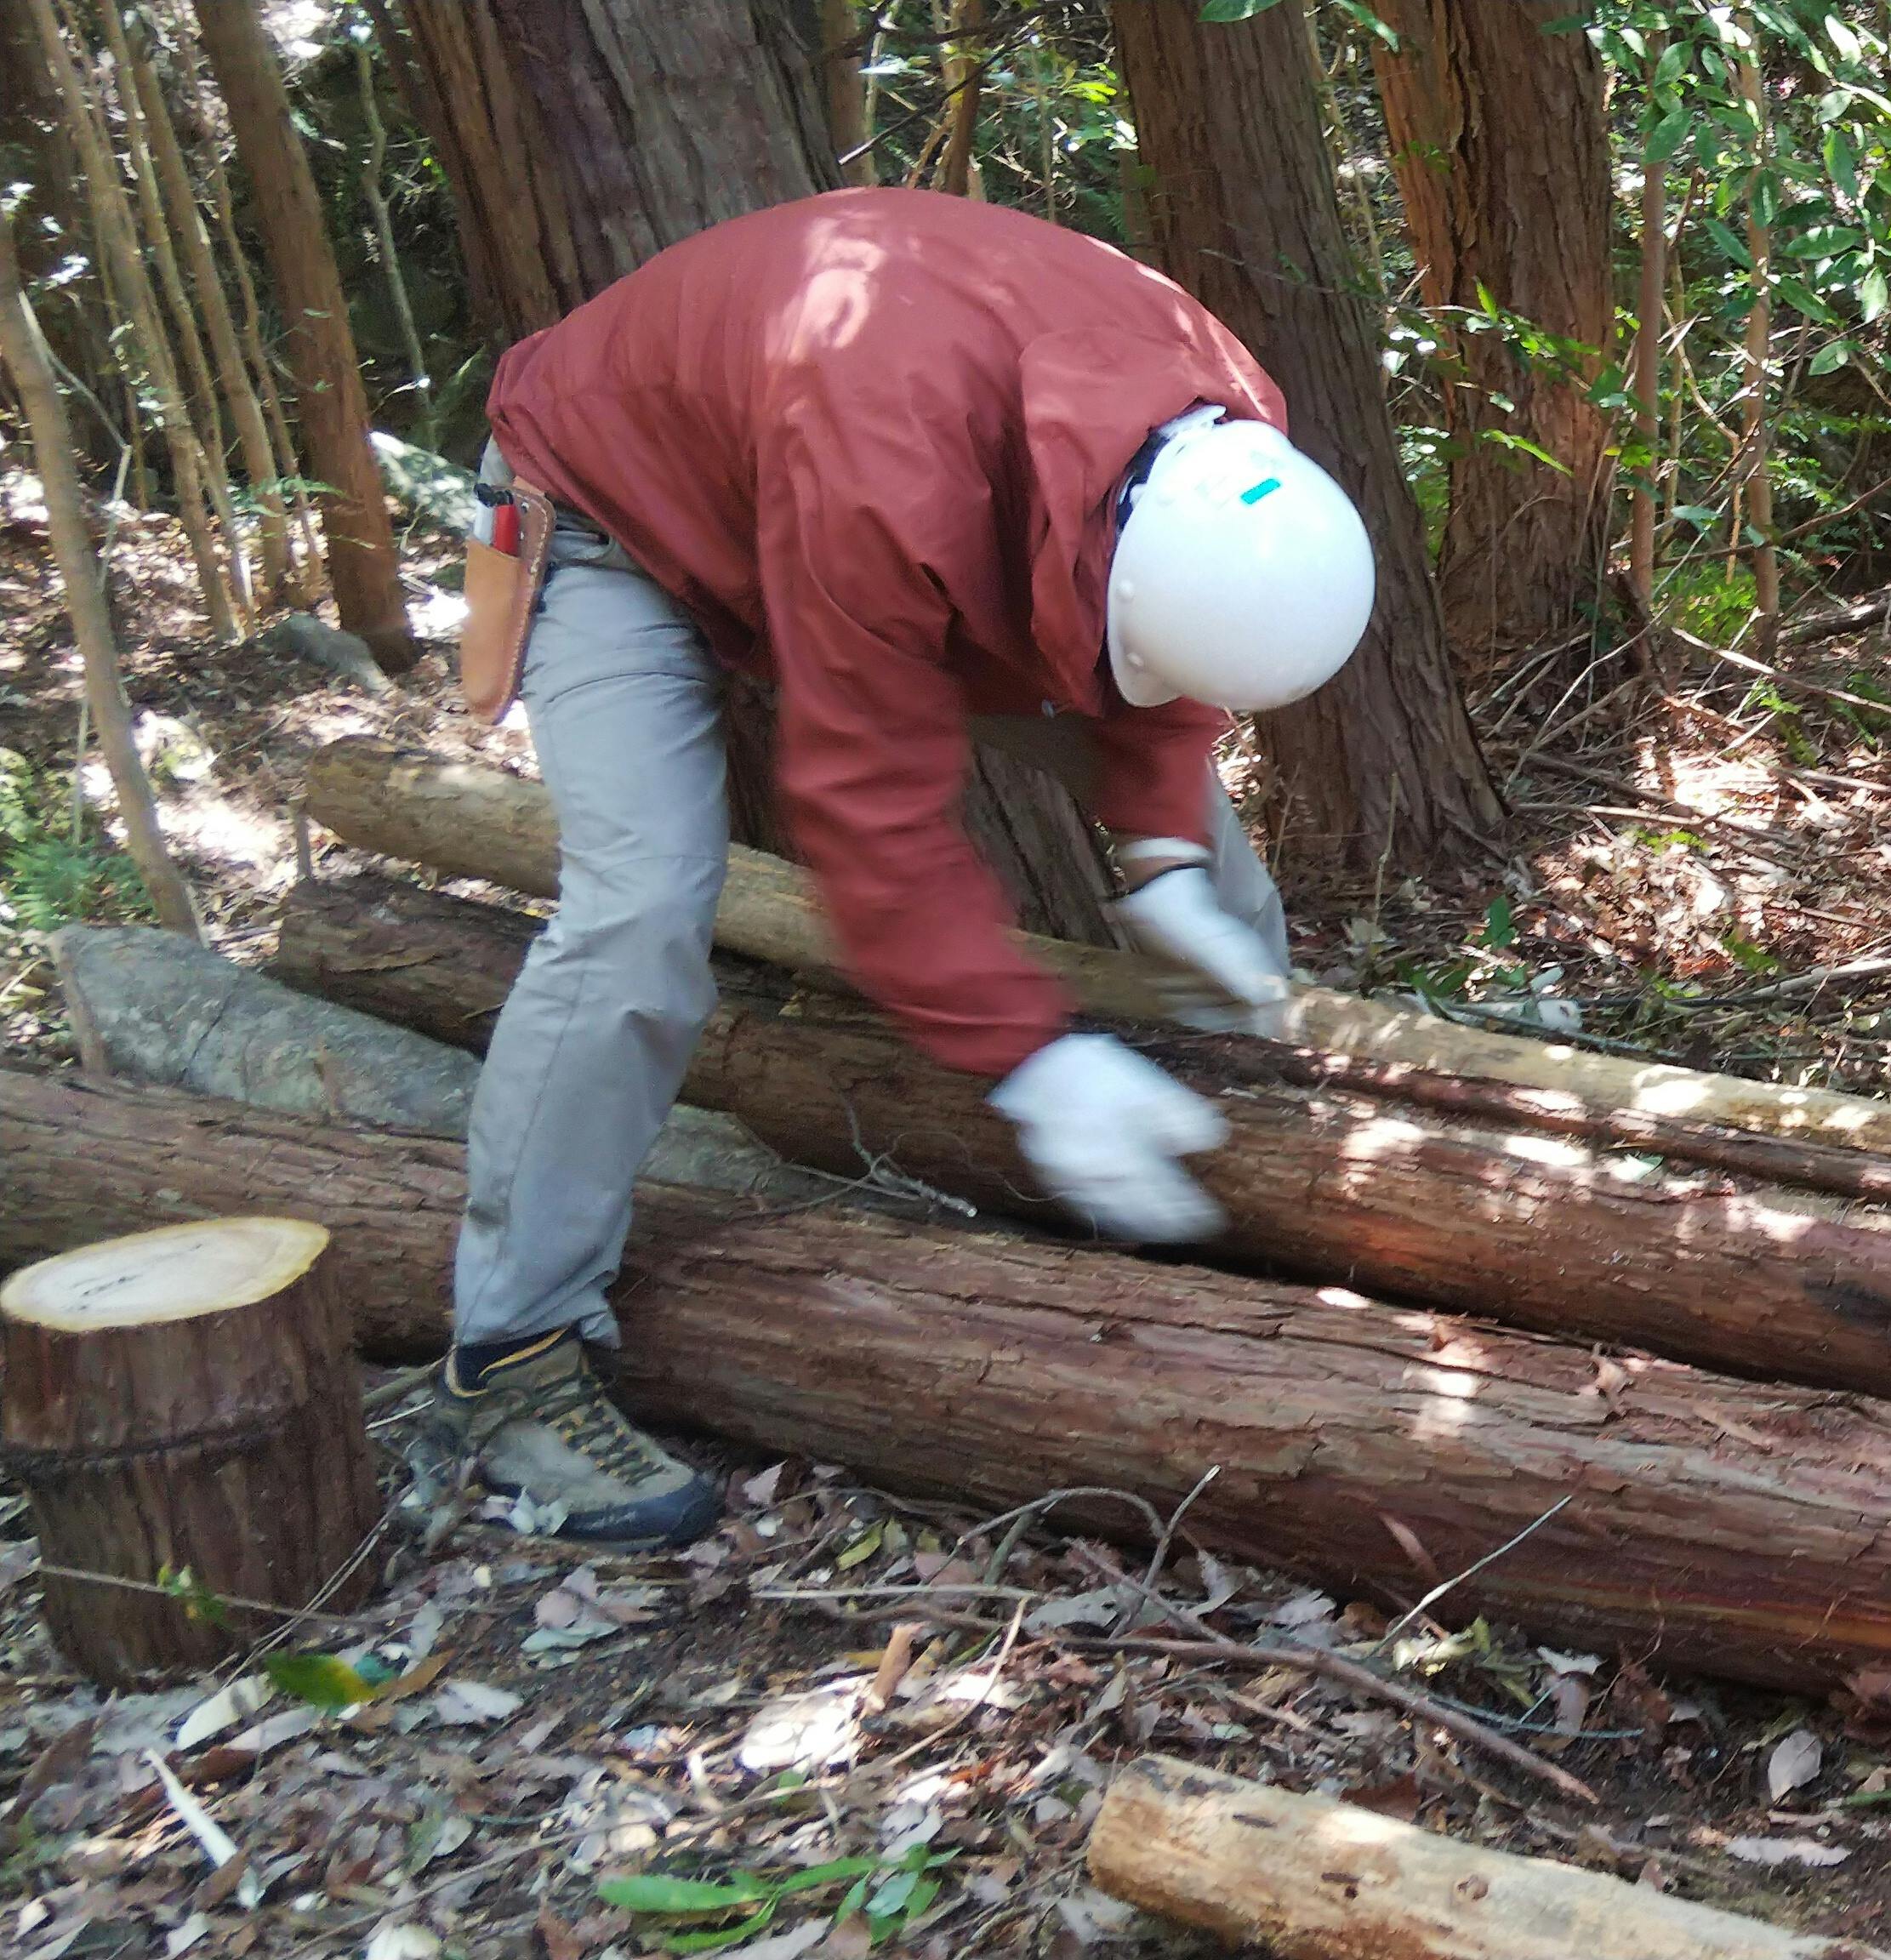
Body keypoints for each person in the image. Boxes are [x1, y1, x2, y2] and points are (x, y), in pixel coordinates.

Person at [430, 190, 1376, 1550]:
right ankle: (512, 1354)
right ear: (1102, 569)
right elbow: (869, 815)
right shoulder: (890, 467)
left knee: (1215, 869)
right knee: (639, 911)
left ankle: (1253, 1169)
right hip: (609, 515)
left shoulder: (1220, 409)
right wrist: (1032, 1063)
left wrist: (1167, 851)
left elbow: (1165, 677)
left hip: (849, 490)